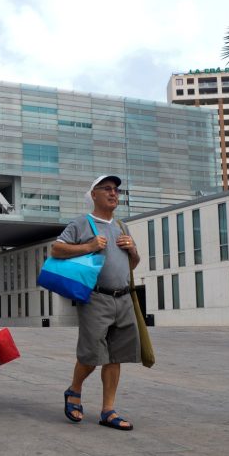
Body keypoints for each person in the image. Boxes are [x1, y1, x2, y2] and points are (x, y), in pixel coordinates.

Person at [53, 175, 140, 431]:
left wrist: (133, 249)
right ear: (94, 194)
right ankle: (74, 390)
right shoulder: (82, 223)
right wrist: (89, 246)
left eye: (116, 190)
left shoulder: (122, 227)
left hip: (123, 298)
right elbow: (56, 250)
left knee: (116, 357)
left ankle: (108, 410)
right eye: (107, 189)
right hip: (95, 298)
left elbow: (131, 264)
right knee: (92, 355)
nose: (114, 194)